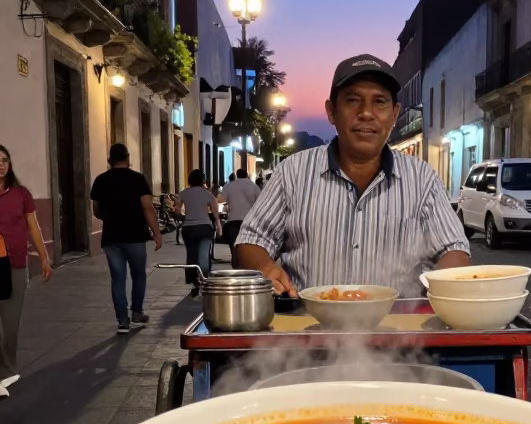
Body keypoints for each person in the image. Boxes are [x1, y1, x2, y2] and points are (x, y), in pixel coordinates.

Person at [238, 54, 470, 295]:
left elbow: (453, 248)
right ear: (331, 111)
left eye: (379, 102)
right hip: (308, 325)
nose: (366, 113)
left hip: (399, 327)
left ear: (394, 114)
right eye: (352, 100)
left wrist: (446, 285)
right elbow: (251, 241)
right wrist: (263, 266)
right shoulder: (293, 173)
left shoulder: (422, 179)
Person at [91, 144, 161, 334]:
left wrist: (111, 217)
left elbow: (96, 210)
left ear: (109, 160)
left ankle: (123, 321)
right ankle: (137, 312)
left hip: (112, 237)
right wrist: (156, 233)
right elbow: (147, 207)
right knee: (138, 275)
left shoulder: (101, 180)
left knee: (117, 279)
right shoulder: (138, 179)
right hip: (135, 236)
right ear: (128, 159)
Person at [0, 145, 52, 397]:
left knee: (10, 326)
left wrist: (44, 258)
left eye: (4, 160)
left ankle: (6, 371)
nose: (1, 164)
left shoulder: (20, 194)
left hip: (15, 266)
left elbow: (33, 228)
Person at [175, 169, 222, 295]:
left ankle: (195, 283)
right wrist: (218, 226)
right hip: (205, 228)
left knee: (191, 255)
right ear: (203, 180)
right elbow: (216, 212)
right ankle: (205, 280)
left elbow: (177, 211)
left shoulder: (183, 193)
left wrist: (183, 218)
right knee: (204, 255)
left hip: (188, 229)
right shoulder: (207, 194)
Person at [218, 167, 261, 252]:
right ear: (247, 175)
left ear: (237, 175)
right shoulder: (253, 186)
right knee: (246, 243)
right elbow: (260, 201)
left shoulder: (229, 185)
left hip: (232, 219)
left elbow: (222, 200)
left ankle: (235, 256)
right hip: (249, 220)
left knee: (234, 242)